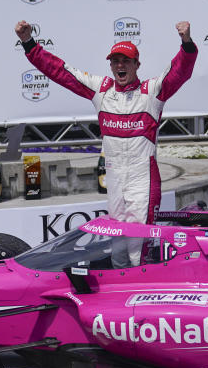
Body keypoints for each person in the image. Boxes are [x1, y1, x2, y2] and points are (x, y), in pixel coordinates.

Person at [14, 20, 197, 266]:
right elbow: (59, 71)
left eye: (126, 61)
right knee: (118, 248)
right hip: (114, 178)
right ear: (110, 65)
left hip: (142, 179)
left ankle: (142, 297)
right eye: (115, 61)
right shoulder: (100, 89)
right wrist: (29, 43)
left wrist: (186, 43)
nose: (120, 66)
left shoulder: (152, 91)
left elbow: (179, 71)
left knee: (138, 248)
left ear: (136, 65)